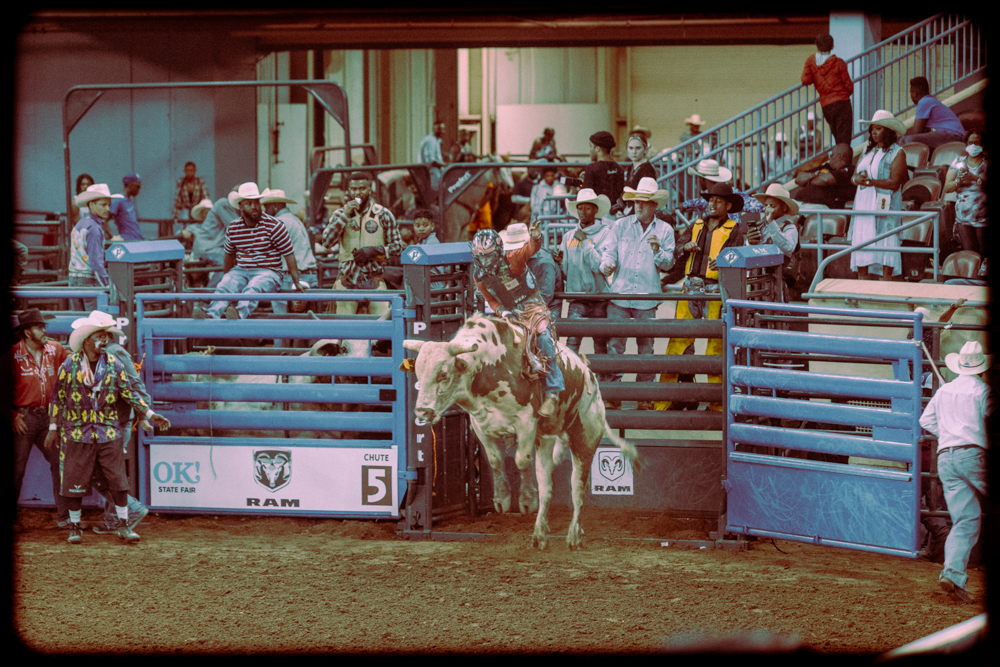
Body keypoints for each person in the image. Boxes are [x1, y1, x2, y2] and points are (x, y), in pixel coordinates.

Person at [45, 311, 171, 544]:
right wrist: (53, 427)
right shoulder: (70, 365)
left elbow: (129, 392)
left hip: (107, 430)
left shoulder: (113, 364)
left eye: (106, 337)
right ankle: (75, 526)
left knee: (117, 479)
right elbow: (57, 397)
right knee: (74, 478)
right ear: (87, 341)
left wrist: (150, 413)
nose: (104, 341)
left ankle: (122, 525)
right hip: (77, 430)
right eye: (99, 337)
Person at [657, 182, 745, 412]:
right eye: (710, 199)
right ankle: (670, 398)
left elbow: (739, 259)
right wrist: (685, 247)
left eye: (718, 200)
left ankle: (717, 402)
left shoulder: (736, 229)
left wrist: (726, 261)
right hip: (691, 288)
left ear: (728, 205)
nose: (712, 203)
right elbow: (678, 248)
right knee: (679, 342)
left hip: (715, 291)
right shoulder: (696, 225)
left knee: (715, 345)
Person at [918, 341, 995, 604]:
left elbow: (926, 420)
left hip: (946, 457)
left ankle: (952, 573)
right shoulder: (983, 391)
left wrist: (949, 434)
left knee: (965, 519)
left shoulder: (944, 390)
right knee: (968, 519)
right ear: (981, 368)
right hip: (974, 454)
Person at [471, 221, 564, 418]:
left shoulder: (513, 259)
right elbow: (490, 299)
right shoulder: (478, 275)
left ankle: (553, 393)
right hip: (509, 311)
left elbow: (530, 249)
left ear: (497, 252)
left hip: (532, 306)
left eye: (487, 256)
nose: (484, 261)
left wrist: (536, 237)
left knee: (543, 338)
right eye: (480, 257)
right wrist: (503, 312)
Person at [599, 177, 676, 410]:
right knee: (616, 345)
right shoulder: (620, 226)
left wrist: (657, 250)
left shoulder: (665, 230)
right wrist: (607, 265)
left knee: (646, 348)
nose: (638, 206)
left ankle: (645, 396)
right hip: (621, 294)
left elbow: (669, 264)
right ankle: (614, 393)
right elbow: (608, 253)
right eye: (636, 202)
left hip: (647, 297)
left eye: (644, 202)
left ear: (654, 205)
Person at [77, 317, 153, 535]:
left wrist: (143, 413)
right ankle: (115, 519)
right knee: (107, 470)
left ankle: (131, 509)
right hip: (105, 422)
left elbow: (134, 383)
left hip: (115, 422)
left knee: (102, 471)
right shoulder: (101, 354)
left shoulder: (114, 352)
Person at [192, 182, 303, 320]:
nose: (254, 207)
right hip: (242, 270)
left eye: (256, 202)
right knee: (226, 284)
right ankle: (211, 313)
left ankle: (239, 313)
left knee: (255, 285)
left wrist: (296, 281)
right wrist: (228, 275)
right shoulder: (233, 228)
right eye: (249, 203)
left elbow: (289, 254)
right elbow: (229, 255)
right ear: (241, 206)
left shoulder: (275, 226)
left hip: (269, 270)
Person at [11, 309, 71, 528]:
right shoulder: (12, 354)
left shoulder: (55, 349)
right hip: (24, 417)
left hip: (50, 417)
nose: (44, 330)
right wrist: (13, 415)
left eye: (44, 326)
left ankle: (65, 517)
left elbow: (73, 364)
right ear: (27, 332)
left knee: (60, 462)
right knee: (17, 468)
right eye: (38, 327)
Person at [320, 171, 403, 317]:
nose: (357, 193)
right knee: (345, 326)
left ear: (369, 189)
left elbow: (397, 246)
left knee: (382, 322)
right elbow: (326, 242)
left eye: (362, 188)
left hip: (374, 277)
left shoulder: (383, 214)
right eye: (354, 189)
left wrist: (375, 250)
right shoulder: (340, 214)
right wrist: (345, 216)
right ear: (349, 191)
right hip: (347, 277)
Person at [553, 189, 613, 369]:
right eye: (580, 208)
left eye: (587, 208)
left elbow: (600, 266)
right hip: (577, 297)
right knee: (572, 343)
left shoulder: (605, 233)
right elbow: (566, 271)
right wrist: (559, 262)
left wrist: (585, 242)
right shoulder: (568, 237)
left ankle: (604, 385)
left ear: (595, 210)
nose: (583, 212)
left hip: (599, 298)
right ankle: (571, 383)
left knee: (600, 344)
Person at [850, 110, 908, 281]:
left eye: (878, 129)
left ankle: (886, 284)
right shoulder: (867, 151)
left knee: (885, 239)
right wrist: (856, 179)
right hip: (863, 203)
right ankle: (862, 283)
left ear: (888, 131)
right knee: (863, 239)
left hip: (884, 203)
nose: (873, 132)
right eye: (872, 129)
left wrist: (871, 182)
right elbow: (854, 177)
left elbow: (894, 183)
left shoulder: (898, 152)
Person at [69, 183, 123, 310]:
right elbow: (96, 262)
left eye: (108, 205)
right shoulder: (94, 228)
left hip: (73, 277)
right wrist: (108, 285)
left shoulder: (80, 224)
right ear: (91, 205)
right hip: (89, 279)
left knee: (80, 321)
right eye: (103, 205)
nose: (107, 209)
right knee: (95, 322)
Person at [749, 184, 801, 301]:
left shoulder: (790, 228)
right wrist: (750, 242)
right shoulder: (760, 226)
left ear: (783, 208)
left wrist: (771, 222)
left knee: (776, 312)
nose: (768, 209)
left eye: (772, 206)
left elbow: (788, 247)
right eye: (766, 205)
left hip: (778, 280)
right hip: (757, 279)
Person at [501, 223, 563, 321]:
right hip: (525, 305)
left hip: (547, 309)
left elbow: (545, 296)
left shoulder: (543, 262)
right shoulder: (515, 258)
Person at [801, 33, 854, 145]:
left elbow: (805, 80)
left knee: (837, 137)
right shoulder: (839, 63)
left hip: (827, 105)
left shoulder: (811, 61)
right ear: (832, 46)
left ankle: (840, 158)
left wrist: (815, 77)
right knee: (844, 138)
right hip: (842, 103)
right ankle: (844, 160)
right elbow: (849, 87)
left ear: (817, 46)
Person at [681, 160, 764, 228]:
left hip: (730, 240)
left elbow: (699, 203)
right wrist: (684, 205)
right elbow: (753, 204)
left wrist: (683, 206)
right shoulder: (731, 193)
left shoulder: (730, 193)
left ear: (702, 179)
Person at [944, 131, 988, 256]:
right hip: (963, 219)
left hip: (983, 219)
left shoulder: (987, 163)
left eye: (976, 142)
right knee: (970, 254)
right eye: (970, 142)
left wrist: (973, 178)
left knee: (984, 255)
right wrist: (959, 180)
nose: (973, 145)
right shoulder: (959, 161)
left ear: (983, 145)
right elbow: (948, 187)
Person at [902, 77, 966, 151]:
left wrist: (901, 136)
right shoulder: (930, 100)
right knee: (907, 139)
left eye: (911, 92)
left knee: (909, 140)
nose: (911, 96)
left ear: (915, 93)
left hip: (952, 135)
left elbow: (916, 130)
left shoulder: (924, 101)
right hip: (953, 134)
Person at [791, 143, 857, 209]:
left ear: (840, 157)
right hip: (804, 202)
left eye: (831, 155)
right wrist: (814, 175)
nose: (829, 158)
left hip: (823, 206)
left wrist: (808, 180)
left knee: (793, 210)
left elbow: (825, 180)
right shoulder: (827, 166)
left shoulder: (849, 170)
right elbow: (798, 179)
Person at [583, 131, 625, 218]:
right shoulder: (619, 168)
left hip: (599, 215)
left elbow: (586, 196)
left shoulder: (591, 168)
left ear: (597, 148)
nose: (589, 150)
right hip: (616, 214)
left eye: (591, 146)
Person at [614, 132, 657, 216]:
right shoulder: (631, 167)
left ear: (645, 149)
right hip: (629, 209)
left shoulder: (647, 169)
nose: (634, 152)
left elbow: (644, 198)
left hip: (640, 212)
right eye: (631, 148)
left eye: (638, 148)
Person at [109, 173, 144, 241]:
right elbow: (104, 220)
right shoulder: (118, 201)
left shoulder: (128, 201)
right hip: (127, 241)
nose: (139, 190)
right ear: (130, 185)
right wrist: (112, 238)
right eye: (137, 187)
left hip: (137, 239)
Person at [418, 120, 447, 191]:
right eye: (439, 129)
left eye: (442, 129)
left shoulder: (436, 140)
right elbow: (432, 161)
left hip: (435, 171)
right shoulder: (431, 140)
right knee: (437, 191)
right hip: (431, 172)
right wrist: (446, 165)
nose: (441, 132)